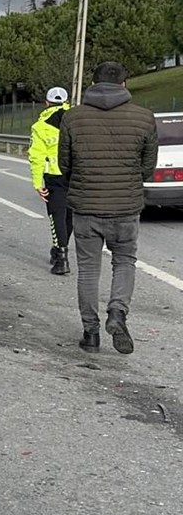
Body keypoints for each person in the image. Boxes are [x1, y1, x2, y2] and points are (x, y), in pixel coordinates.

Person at [58, 61, 158, 355]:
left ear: (93, 83)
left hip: (86, 208)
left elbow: (65, 165)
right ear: (124, 84)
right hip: (126, 208)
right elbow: (147, 168)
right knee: (125, 262)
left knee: (88, 271)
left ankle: (90, 334)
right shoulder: (144, 118)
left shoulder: (73, 118)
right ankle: (117, 313)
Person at [28, 86, 73, 275]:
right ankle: (60, 249)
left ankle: (61, 257)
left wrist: (38, 183)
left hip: (54, 176)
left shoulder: (40, 126)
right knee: (70, 215)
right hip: (76, 174)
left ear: (47, 103)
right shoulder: (76, 120)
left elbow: (36, 156)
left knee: (57, 215)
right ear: (66, 101)